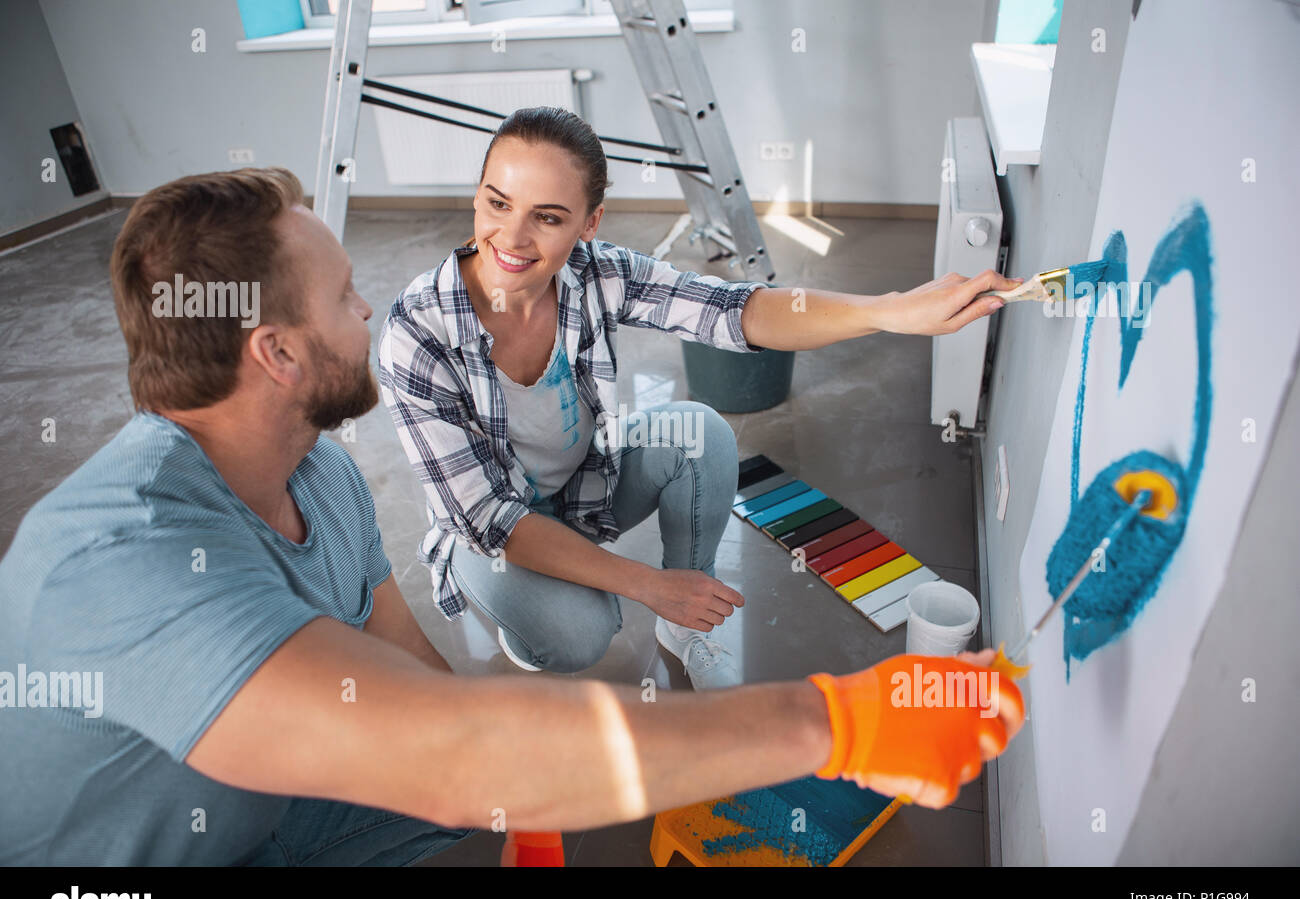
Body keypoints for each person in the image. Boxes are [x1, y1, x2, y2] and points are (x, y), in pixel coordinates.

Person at [0, 166, 1022, 867]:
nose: (367, 310)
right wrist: (835, 722)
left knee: (517, 777)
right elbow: (452, 742)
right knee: (546, 674)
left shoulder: (321, 475)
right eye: (345, 295)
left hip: (275, 811)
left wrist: (505, 803)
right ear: (274, 351)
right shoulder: (117, 551)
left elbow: (404, 668)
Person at [380, 106, 1020, 689]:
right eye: (498, 203)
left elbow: (734, 311)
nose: (512, 239)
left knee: (702, 435)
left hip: (582, 486)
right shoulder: (417, 334)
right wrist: (648, 585)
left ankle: (685, 623)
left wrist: (891, 311)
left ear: (588, 224)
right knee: (579, 634)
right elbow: (492, 518)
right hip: (490, 534)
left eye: (547, 217)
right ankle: (540, 623)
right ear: (478, 195)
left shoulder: (592, 271)